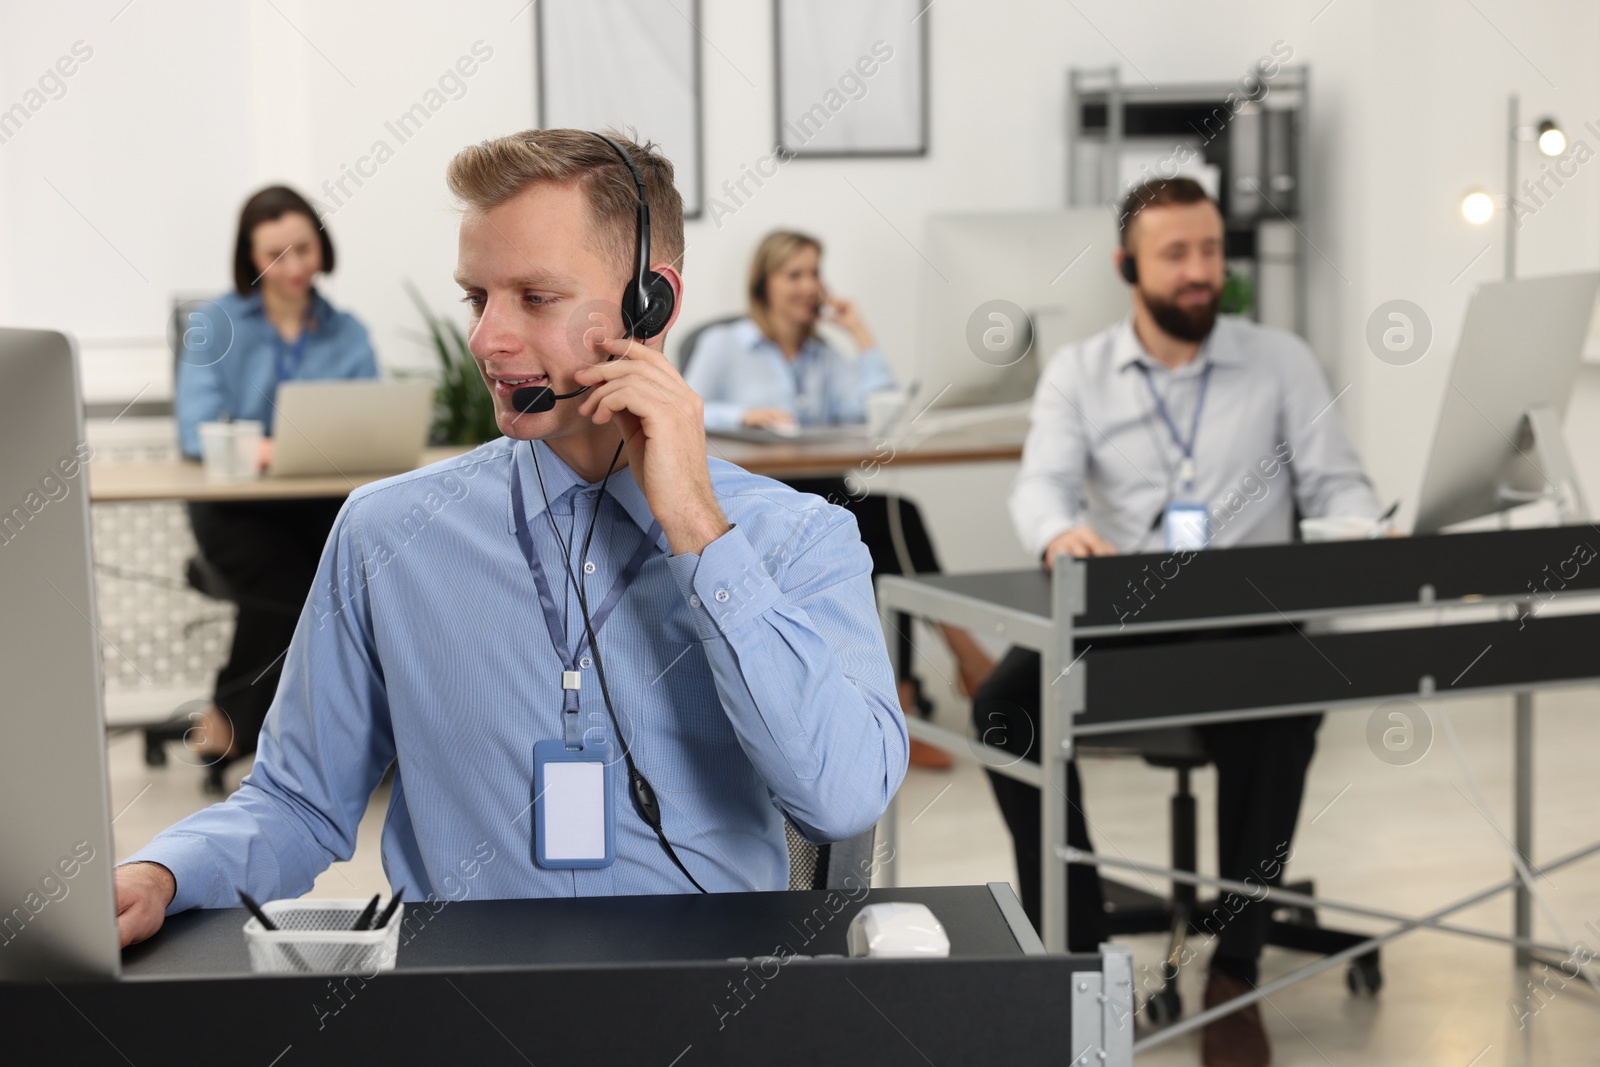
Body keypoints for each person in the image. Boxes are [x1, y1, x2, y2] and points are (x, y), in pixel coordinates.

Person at [113, 130, 907, 948]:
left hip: (700, 1007)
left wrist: (702, 532)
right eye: (475, 298)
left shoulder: (797, 538)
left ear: (652, 304)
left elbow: (842, 799)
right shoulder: (384, 534)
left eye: (535, 297)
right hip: (463, 1008)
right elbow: (298, 801)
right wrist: (162, 871)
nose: (486, 340)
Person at [973, 177, 1381, 1067]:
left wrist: (1355, 523)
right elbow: (1040, 483)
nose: (1201, 272)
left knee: (1281, 702)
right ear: (1129, 266)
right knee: (1006, 705)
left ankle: (1235, 969)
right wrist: (1056, 532)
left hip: (1248, 605)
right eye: (1176, 254)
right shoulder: (1080, 370)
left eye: (1210, 251)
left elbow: (1336, 480)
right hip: (1125, 603)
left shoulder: (1281, 360)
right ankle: (1081, 953)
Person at [684, 231, 994, 768]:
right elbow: (681, 406)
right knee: (868, 532)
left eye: (815, 274)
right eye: (794, 274)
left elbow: (884, 417)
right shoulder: (725, 345)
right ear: (764, 284)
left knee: (896, 520)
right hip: (757, 501)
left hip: (826, 493)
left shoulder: (825, 357)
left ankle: (905, 696)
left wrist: (861, 334)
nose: (809, 286)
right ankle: (950, 671)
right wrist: (743, 416)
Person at [173, 186, 378, 774]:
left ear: (322, 248)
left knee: (360, 571)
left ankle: (285, 726)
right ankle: (241, 725)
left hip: (316, 500)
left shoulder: (349, 332)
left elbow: (369, 420)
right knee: (292, 582)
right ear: (249, 257)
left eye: (303, 250)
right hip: (235, 505)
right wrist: (263, 446)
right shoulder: (215, 324)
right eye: (274, 254)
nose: (292, 268)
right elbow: (195, 429)